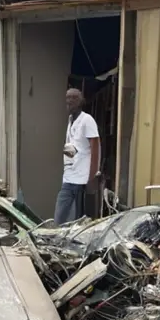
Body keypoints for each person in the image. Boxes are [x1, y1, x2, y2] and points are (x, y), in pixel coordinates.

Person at [54, 88, 100, 225]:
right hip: (68, 179)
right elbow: (72, 148)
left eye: (74, 98)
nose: (69, 101)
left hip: (82, 181)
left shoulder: (87, 120)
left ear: (81, 101)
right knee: (59, 220)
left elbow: (96, 148)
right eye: (67, 97)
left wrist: (92, 178)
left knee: (78, 222)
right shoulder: (70, 121)